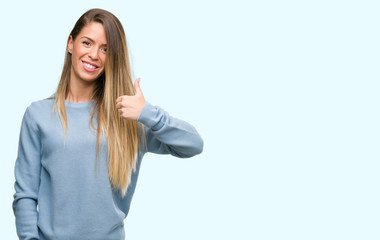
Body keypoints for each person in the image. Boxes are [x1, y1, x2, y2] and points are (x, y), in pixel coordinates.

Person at [12, 8, 203, 240]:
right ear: (70, 44)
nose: (94, 54)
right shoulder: (37, 115)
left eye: (105, 49)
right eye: (87, 43)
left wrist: (148, 113)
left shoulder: (126, 117)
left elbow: (193, 144)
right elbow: (25, 195)